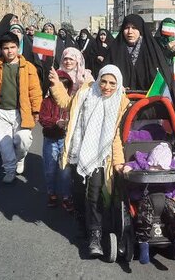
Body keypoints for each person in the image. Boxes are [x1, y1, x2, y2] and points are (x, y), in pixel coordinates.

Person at [47, 64, 129, 258]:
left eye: (112, 83)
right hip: (78, 152)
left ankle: (95, 237)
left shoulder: (119, 102)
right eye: (104, 81)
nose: (107, 86)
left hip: (101, 158)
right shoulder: (86, 92)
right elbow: (67, 104)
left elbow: (114, 136)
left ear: (118, 85)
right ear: (98, 79)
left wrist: (118, 161)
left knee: (93, 196)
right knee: (77, 194)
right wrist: (55, 84)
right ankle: (82, 224)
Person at [0, 32, 43, 183]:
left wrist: (36, 111)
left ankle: (20, 158)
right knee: (4, 144)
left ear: (18, 48)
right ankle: (10, 170)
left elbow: (35, 91)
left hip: (21, 112)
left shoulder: (28, 67)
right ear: (1, 49)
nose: (10, 51)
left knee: (23, 140)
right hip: (1, 112)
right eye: (6, 48)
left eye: (13, 47)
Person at [121, 142, 175, 264]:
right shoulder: (142, 163)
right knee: (144, 216)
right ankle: (144, 246)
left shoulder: (171, 167)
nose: (157, 170)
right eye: (154, 167)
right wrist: (128, 167)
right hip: (145, 196)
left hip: (166, 197)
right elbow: (132, 165)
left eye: (160, 168)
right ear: (150, 162)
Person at [109, 14, 175, 115]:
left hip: (148, 107)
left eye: (134, 28)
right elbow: (105, 76)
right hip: (118, 107)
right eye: (126, 28)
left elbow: (162, 79)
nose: (130, 32)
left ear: (140, 30)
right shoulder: (114, 50)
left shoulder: (151, 50)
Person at [39, 70, 74, 211]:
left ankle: (66, 197)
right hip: (50, 139)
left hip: (65, 140)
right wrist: (56, 122)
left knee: (65, 171)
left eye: (65, 86)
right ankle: (51, 193)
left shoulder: (71, 102)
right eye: (58, 85)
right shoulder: (46, 102)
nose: (62, 89)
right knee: (50, 169)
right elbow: (43, 119)